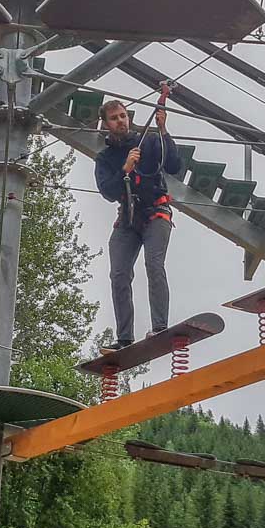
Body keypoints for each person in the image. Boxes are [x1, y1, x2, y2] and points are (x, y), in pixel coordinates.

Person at [94, 98, 182, 352]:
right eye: (114, 118)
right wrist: (125, 168)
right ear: (106, 123)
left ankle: (160, 327)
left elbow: (174, 165)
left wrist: (164, 131)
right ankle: (124, 338)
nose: (120, 121)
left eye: (123, 116)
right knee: (119, 274)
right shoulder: (106, 158)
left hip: (156, 212)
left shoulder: (149, 141)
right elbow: (108, 192)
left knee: (154, 263)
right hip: (129, 218)